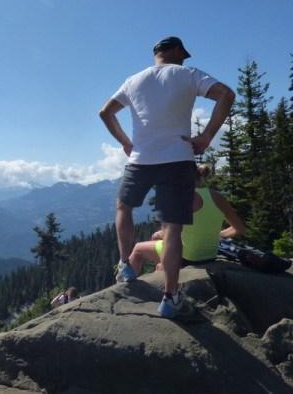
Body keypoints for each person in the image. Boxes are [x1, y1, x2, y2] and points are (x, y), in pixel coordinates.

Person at [99, 36, 235, 318]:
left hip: (141, 160)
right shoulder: (188, 75)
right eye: (183, 55)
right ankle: (171, 296)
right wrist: (207, 135)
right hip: (178, 159)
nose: (185, 59)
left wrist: (125, 142)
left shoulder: (133, 81)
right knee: (172, 228)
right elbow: (226, 94)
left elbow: (106, 112)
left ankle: (125, 264)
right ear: (174, 51)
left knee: (124, 207)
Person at [129, 164, 247, 276]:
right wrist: (219, 234)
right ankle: (163, 268)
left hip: (186, 258)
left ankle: (126, 284)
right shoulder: (218, 197)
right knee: (157, 239)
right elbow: (240, 229)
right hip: (210, 256)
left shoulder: (182, 198)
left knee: (138, 249)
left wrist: (160, 233)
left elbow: (169, 235)